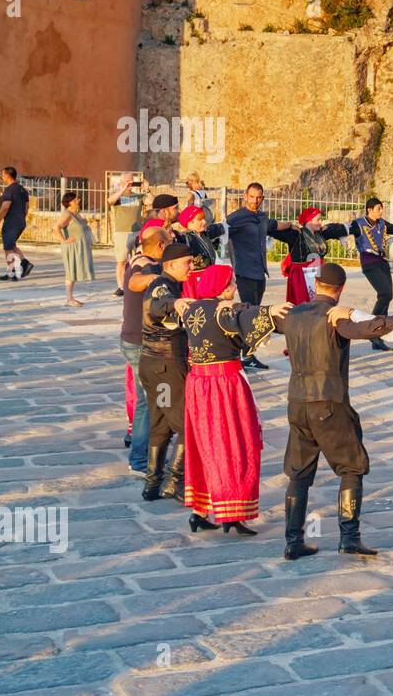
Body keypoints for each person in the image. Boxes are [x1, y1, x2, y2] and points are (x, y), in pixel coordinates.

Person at [276, 263, 393, 560]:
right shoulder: (334, 316)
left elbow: (257, 318)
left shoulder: (293, 315)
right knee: (352, 467)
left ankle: (293, 542)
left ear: (316, 284)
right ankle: (349, 537)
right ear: (340, 290)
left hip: (297, 402)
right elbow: (362, 329)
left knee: (299, 472)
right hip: (328, 402)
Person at [175, 265, 290, 536]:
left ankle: (200, 511)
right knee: (235, 445)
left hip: (198, 384)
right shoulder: (221, 310)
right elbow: (239, 313)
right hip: (224, 385)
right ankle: (232, 513)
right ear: (222, 287)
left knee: (204, 446)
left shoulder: (192, 308)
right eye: (231, 283)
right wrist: (270, 311)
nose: (234, 287)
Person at [138, 242, 196, 503]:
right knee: (187, 425)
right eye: (188, 262)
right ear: (171, 265)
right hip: (166, 366)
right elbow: (158, 305)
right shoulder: (164, 286)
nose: (191, 267)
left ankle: (152, 484)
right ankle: (174, 481)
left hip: (154, 365)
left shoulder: (171, 283)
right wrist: (177, 304)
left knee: (161, 422)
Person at [225, 183, 297, 369]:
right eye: (252, 197)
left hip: (259, 272)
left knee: (254, 312)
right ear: (245, 196)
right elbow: (219, 230)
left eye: (259, 197)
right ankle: (244, 356)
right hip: (244, 272)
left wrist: (292, 226)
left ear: (263, 198)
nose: (255, 201)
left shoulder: (262, 217)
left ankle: (247, 354)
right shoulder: (236, 218)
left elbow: (274, 225)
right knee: (250, 314)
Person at [346, 198, 393, 351]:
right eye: (378, 209)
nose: (381, 211)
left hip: (381, 261)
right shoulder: (358, 224)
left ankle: (378, 332)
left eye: (382, 209)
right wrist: (326, 230)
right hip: (369, 262)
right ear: (369, 209)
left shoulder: (382, 224)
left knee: (388, 295)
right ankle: (373, 331)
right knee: (384, 293)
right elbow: (342, 230)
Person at [121, 227, 167, 474]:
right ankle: (139, 460)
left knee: (153, 401)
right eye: (167, 243)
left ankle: (150, 455)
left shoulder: (141, 259)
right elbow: (134, 282)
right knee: (149, 403)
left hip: (137, 340)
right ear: (160, 246)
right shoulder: (145, 265)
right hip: (140, 343)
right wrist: (154, 280)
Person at [281, 207, 349, 305]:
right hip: (300, 276)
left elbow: (339, 229)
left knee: (318, 302)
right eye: (318, 220)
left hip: (317, 272)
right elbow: (273, 229)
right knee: (302, 305)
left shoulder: (320, 234)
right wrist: (289, 225)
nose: (321, 222)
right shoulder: (296, 234)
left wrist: (331, 226)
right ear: (309, 221)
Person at [176, 205, 226, 298]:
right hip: (193, 284)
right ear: (189, 222)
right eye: (200, 220)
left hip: (208, 280)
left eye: (203, 219)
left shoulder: (205, 235)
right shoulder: (185, 238)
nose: (204, 222)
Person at [108, 172, 145, 296]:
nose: (129, 184)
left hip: (137, 232)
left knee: (138, 259)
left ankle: (136, 284)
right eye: (126, 181)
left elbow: (152, 201)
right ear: (121, 183)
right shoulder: (118, 197)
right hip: (122, 233)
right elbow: (109, 201)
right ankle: (121, 287)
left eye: (131, 181)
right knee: (122, 261)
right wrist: (123, 189)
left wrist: (147, 189)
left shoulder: (139, 196)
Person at [56, 192, 95, 307]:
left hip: (78, 246)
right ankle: (69, 299)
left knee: (73, 272)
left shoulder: (76, 213)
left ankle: (71, 297)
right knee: (70, 271)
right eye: (75, 200)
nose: (78, 200)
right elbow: (56, 227)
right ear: (69, 203)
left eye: (78, 199)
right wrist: (64, 240)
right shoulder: (68, 214)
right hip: (71, 247)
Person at [0, 167, 32, 281]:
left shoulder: (9, 190)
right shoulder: (22, 189)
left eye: (3, 174)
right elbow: (26, 208)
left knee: (8, 249)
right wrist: (21, 217)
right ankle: (25, 263)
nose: (2, 177)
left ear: (7, 175)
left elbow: (5, 207)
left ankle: (12, 273)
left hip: (11, 223)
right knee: (12, 246)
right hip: (20, 222)